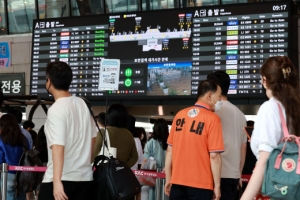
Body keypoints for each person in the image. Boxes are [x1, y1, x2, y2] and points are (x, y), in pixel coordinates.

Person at [241, 56, 300, 199]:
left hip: (278, 189)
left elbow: (264, 161)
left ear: (265, 80)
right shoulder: (296, 108)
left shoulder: (270, 107)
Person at [38, 61, 97, 200]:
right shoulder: (83, 104)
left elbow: (58, 145)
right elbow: (93, 138)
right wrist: (84, 163)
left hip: (61, 180)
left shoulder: (56, 109)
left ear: (49, 82)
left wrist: (57, 181)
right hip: (85, 179)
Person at [164, 80, 224, 200]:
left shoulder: (179, 115)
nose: (220, 101)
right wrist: (217, 186)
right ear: (209, 96)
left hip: (177, 183)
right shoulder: (213, 119)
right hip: (201, 185)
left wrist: (169, 178)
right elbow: (214, 157)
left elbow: (170, 150)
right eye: (219, 96)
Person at [207, 71, 247, 200]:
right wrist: (239, 173)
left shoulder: (212, 112)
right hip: (233, 176)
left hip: (213, 175)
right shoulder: (240, 115)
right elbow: (243, 148)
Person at [92, 103, 138, 168]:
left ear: (109, 116)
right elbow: (134, 157)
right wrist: (123, 167)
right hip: (121, 175)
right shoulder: (129, 134)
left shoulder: (103, 132)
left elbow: (94, 155)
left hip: (106, 174)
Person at [0, 114, 28, 200]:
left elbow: (1, 158)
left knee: (7, 196)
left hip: (7, 174)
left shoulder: (2, 139)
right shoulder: (23, 138)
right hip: (23, 174)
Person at [142, 118, 169, 200]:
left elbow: (145, 161)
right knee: (166, 195)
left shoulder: (150, 143)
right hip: (167, 174)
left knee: (153, 195)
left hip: (153, 175)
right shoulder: (171, 143)